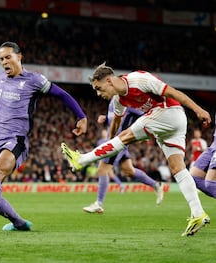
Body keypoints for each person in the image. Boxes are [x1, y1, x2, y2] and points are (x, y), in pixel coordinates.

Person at [0, 34, 88, 236]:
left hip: (17, 141)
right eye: (1, 59)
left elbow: (61, 94)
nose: (5, 62)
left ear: (19, 57)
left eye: (8, 57)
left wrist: (81, 116)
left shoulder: (34, 80)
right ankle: (19, 222)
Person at [61, 63, 211, 236]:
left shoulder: (139, 79)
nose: (98, 94)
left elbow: (173, 92)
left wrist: (198, 109)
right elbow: (116, 122)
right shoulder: (118, 99)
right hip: (171, 124)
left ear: (109, 81)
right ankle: (198, 213)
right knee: (178, 168)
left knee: (125, 136)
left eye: (99, 88)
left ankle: (81, 160)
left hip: (169, 112)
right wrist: (111, 142)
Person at [83, 100, 164, 214]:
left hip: (118, 142)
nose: (100, 94)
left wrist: (145, 133)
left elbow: (145, 116)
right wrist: (105, 118)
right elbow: (115, 119)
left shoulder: (128, 102)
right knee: (129, 171)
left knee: (102, 169)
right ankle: (156, 184)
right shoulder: (112, 102)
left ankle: (99, 204)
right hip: (115, 142)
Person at [190, 114, 216, 198]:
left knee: (210, 183)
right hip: (213, 145)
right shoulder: (192, 141)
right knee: (194, 177)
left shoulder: (202, 141)